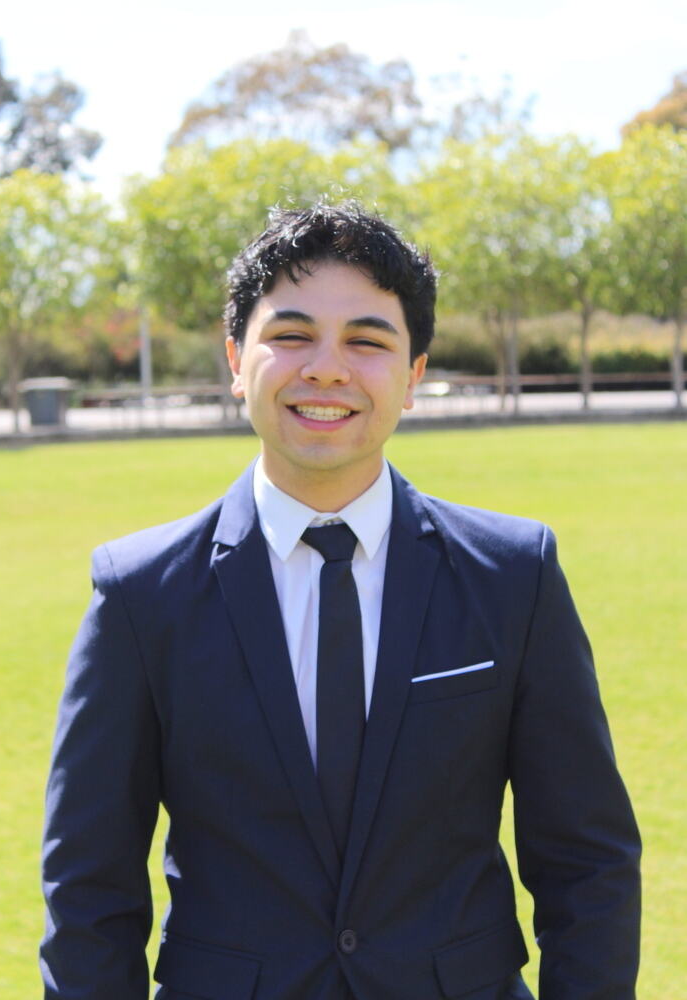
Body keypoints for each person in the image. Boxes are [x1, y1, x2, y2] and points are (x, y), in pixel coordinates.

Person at [41, 203, 640, 1000]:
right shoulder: (140, 594)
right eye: (292, 335)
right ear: (236, 359)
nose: (326, 369)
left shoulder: (512, 575)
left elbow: (589, 865)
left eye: (366, 341)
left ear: (415, 374)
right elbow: (89, 891)